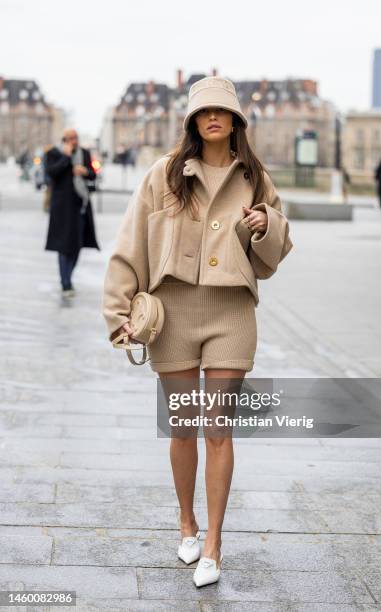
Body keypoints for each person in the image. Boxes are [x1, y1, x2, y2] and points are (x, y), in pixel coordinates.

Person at [102, 76, 293, 587]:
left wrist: (265, 227)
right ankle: (187, 522)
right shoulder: (164, 175)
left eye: (222, 111)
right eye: (203, 111)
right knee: (184, 426)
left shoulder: (255, 176)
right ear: (192, 121)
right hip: (173, 311)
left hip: (231, 310)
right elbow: (131, 244)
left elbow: (275, 253)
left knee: (219, 428)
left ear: (235, 121)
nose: (213, 118)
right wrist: (117, 311)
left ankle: (214, 544)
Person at [44, 128, 100, 296]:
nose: (74, 141)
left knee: (77, 245)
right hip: (62, 208)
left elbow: (92, 175)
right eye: (70, 139)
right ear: (64, 140)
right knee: (63, 245)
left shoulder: (84, 153)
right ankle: (66, 283)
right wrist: (66, 157)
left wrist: (85, 171)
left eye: (75, 138)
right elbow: (52, 174)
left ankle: (68, 277)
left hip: (80, 206)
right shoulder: (54, 153)